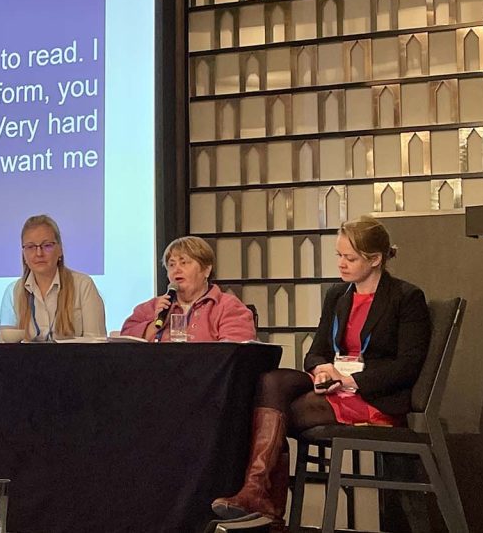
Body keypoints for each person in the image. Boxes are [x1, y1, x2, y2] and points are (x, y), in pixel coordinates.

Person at [211, 216, 432, 531]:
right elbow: (316, 351)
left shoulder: (406, 297)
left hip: (374, 397)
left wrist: (351, 379)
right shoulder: (338, 295)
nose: (341, 264)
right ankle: (256, 493)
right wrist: (321, 368)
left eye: (349, 258)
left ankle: (263, 501)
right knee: (271, 382)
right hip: (337, 388)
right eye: (338, 256)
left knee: (278, 412)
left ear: (375, 259)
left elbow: (408, 365)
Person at [120, 236, 256, 342]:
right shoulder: (152, 307)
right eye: (171, 265)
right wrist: (156, 324)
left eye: (184, 263)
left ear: (206, 270)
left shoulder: (227, 307)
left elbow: (234, 353)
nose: (176, 270)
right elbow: (124, 346)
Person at [0, 214, 106, 341]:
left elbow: (97, 344)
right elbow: (3, 346)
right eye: (31, 247)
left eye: (47, 245)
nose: (39, 253)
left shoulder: (83, 285)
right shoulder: (13, 292)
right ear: (23, 253)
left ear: (60, 250)